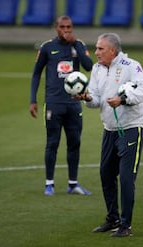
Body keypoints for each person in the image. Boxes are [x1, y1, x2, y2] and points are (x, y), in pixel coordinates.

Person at [76, 33, 143, 237]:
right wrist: (86, 97)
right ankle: (113, 219)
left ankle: (126, 225)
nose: (96, 52)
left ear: (112, 50)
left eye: (100, 48)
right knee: (106, 174)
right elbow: (95, 100)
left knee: (127, 178)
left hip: (131, 128)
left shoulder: (131, 65)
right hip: (109, 130)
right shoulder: (97, 68)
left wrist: (124, 99)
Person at [29, 15, 93, 196]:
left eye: (69, 27)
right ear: (56, 28)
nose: (66, 30)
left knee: (75, 143)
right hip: (54, 103)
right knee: (52, 143)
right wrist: (33, 100)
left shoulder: (78, 45)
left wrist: (76, 45)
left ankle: (73, 184)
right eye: (63, 27)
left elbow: (89, 66)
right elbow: (36, 74)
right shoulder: (47, 47)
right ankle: (49, 183)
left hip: (73, 104)